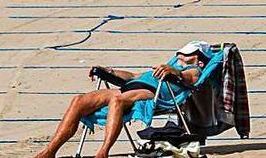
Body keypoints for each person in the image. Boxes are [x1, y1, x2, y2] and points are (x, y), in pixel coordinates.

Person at [33, 42, 213, 158]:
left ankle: (103, 152)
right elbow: (133, 76)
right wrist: (109, 72)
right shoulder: (166, 67)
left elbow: (190, 77)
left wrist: (175, 71)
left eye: (188, 54)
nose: (181, 56)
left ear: (199, 60)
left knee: (117, 101)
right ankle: (51, 150)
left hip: (150, 93)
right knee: (79, 100)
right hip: (130, 86)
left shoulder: (194, 70)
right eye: (180, 54)